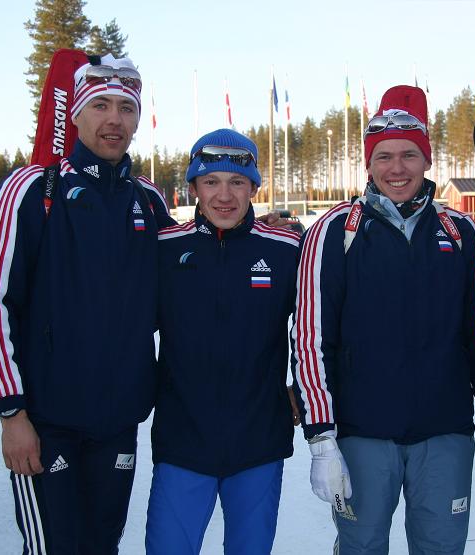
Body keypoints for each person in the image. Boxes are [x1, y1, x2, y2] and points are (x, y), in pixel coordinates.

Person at [291, 85, 475, 554]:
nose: (397, 168)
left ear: (427, 160)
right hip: (362, 432)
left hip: (445, 431)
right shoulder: (336, 231)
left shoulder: (460, 230)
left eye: (409, 155)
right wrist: (322, 439)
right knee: (362, 544)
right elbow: (311, 339)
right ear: (368, 164)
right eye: (384, 156)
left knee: (441, 546)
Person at [0, 54, 174, 553]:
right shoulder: (33, 189)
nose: (114, 120)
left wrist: (257, 235)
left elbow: (190, 276)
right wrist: (12, 413)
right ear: (76, 114)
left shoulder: (147, 200)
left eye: (126, 109)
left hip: (118, 419)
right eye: (101, 106)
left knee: (101, 544)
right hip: (45, 420)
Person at [145, 129, 300, 554]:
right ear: (193, 186)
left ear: (254, 187)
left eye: (237, 182)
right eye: (211, 181)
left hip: (258, 442)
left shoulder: (288, 249)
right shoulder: (163, 250)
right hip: (183, 442)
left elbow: (317, 328)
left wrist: (302, 391)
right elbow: (124, 326)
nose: (224, 195)